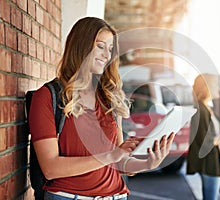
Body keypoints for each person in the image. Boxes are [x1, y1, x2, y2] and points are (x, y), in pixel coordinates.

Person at [29, 17, 174, 200]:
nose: (107, 54)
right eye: (100, 46)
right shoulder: (48, 96)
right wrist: (111, 155)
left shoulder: (109, 98)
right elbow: (50, 169)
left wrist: (148, 164)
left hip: (116, 196)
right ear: (81, 46)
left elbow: (119, 161)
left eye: (110, 48)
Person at [186, 74, 220, 200]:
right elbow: (206, 142)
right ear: (207, 87)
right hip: (210, 163)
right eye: (215, 85)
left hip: (218, 160)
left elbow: (208, 134)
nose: (218, 89)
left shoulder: (207, 108)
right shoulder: (201, 111)